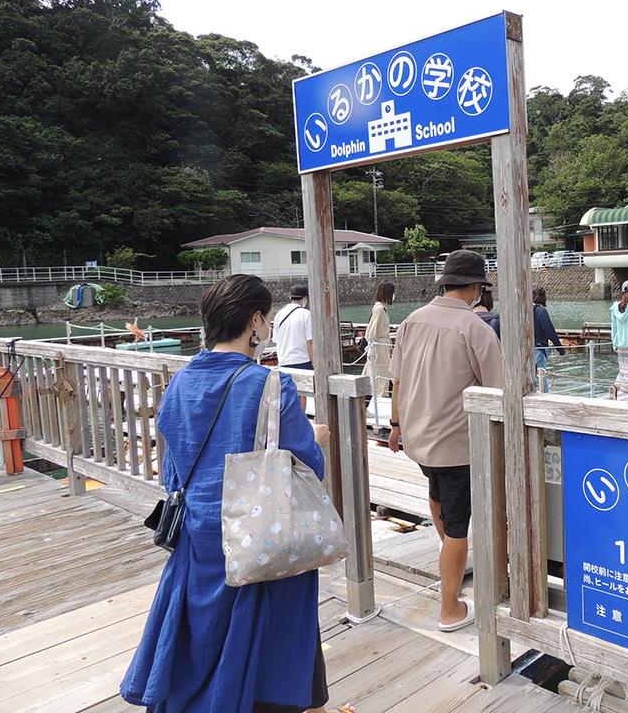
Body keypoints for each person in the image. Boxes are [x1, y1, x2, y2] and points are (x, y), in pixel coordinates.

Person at [121, 274, 353, 713]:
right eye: (265, 319)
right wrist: (317, 437)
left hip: (197, 534)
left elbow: (173, 472)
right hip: (256, 533)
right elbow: (307, 467)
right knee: (275, 636)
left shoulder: (179, 384)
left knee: (201, 637)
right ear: (255, 321)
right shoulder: (270, 385)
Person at [388, 250, 503, 632]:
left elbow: (397, 381)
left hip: (418, 439)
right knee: (458, 524)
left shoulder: (411, 321)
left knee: (437, 496)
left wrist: (395, 424)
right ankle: (449, 608)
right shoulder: (476, 329)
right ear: (474, 287)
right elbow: (497, 391)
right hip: (456, 445)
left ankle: (449, 563)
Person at [361, 280, 394, 397]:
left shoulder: (380, 308)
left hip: (380, 347)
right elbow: (373, 331)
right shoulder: (380, 309)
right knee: (380, 377)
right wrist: (372, 349)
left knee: (380, 376)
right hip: (378, 348)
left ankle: (367, 404)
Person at [532, 286, 565, 391]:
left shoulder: (524, 310)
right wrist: (560, 349)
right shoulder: (541, 311)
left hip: (524, 350)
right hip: (538, 350)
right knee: (540, 381)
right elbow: (550, 331)